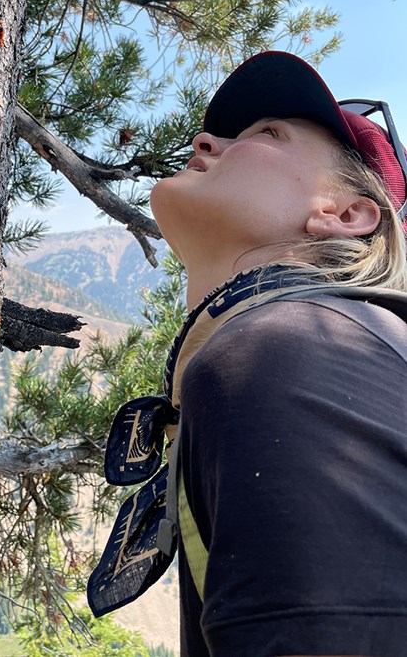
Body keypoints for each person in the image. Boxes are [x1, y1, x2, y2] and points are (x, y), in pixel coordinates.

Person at [88, 51, 407, 657]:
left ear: (343, 214)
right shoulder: (342, 342)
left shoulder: (286, 350)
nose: (203, 142)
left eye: (267, 134)